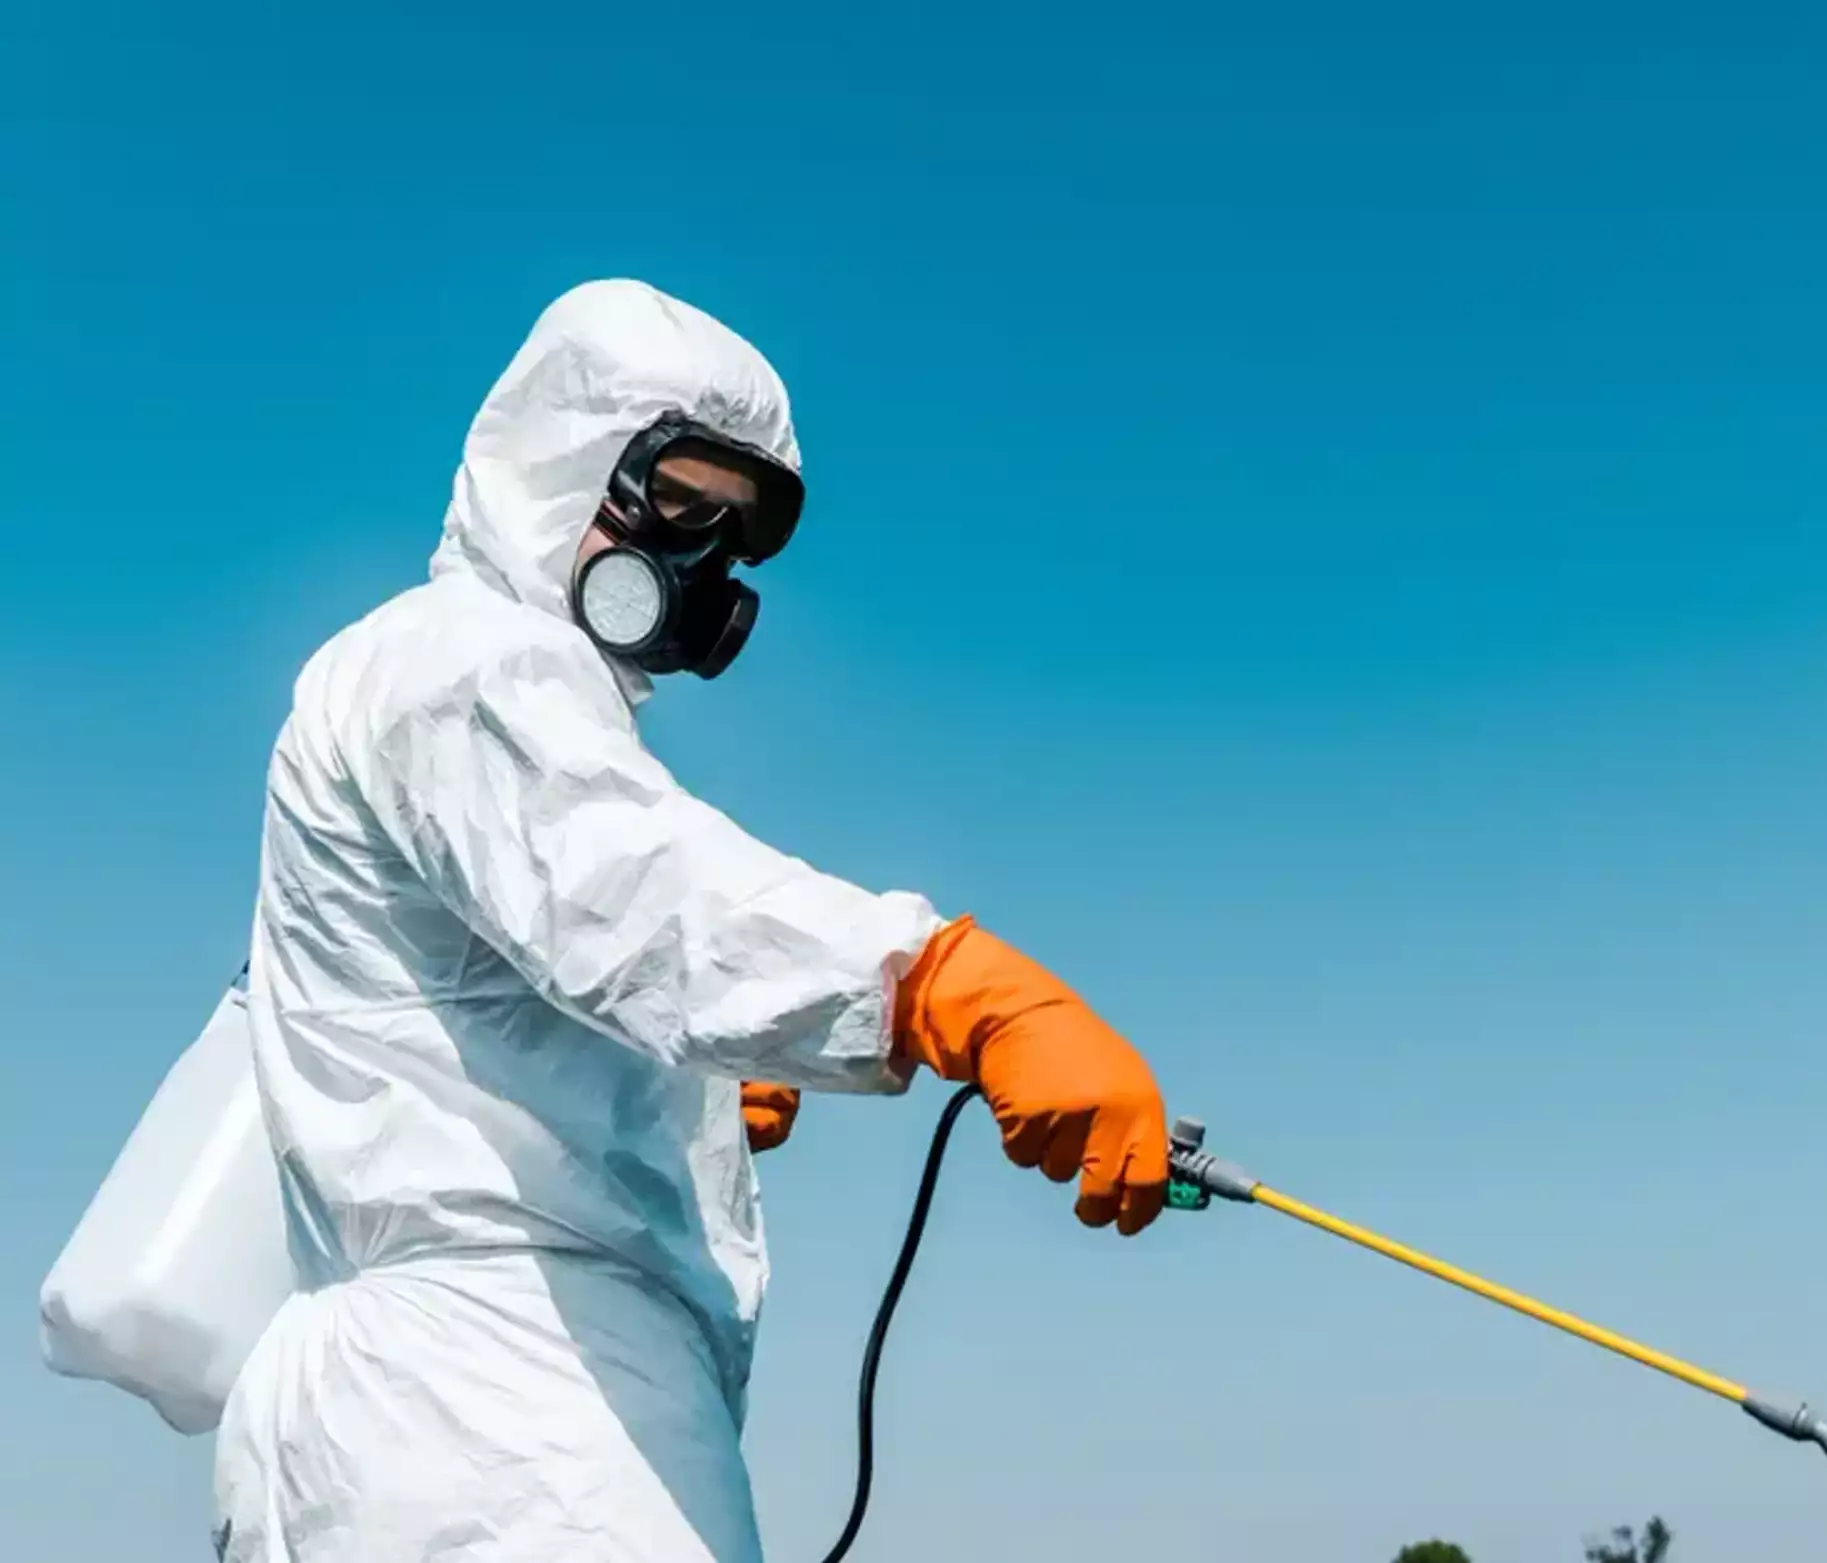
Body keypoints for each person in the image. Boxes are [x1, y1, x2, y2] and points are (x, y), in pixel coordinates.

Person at [211, 278, 1170, 1563]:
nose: (697, 556)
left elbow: (494, 997)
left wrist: (688, 1100)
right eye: (676, 499)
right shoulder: (465, 659)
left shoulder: (489, 688)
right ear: (561, 455)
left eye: (731, 529)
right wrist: (936, 986)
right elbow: (633, 899)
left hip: (464, 1409)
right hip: (498, 1415)